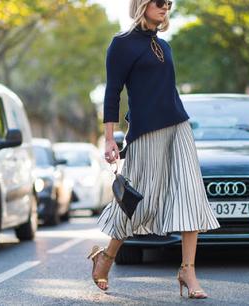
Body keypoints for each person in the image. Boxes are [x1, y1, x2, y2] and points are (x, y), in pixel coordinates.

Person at [88, 0, 220, 299]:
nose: (166, 7)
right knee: (138, 203)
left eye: (169, 3)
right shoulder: (120, 45)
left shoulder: (165, 47)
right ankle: (106, 257)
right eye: (160, 2)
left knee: (191, 195)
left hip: (179, 127)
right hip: (146, 133)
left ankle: (188, 269)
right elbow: (113, 93)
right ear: (142, 4)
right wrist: (110, 139)